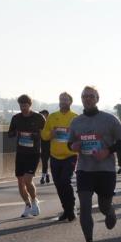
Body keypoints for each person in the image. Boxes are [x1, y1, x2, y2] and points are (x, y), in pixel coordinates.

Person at [67, 86, 121, 242]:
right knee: (84, 206)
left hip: (105, 170)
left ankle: (110, 211)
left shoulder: (109, 119)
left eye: (91, 96)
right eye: (84, 96)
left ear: (97, 98)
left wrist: (107, 151)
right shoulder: (76, 122)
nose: (87, 99)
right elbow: (69, 144)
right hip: (85, 169)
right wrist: (73, 146)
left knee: (103, 206)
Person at [41, 92, 79, 222]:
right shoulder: (52, 116)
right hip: (55, 156)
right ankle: (66, 210)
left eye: (65, 99)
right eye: (61, 99)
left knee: (65, 181)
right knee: (58, 184)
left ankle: (71, 208)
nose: (63, 101)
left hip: (70, 156)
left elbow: (80, 137)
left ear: (70, 102)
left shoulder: (75, 117)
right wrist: (50, 133)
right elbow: (44, 135)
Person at [8, 95, 45, 218]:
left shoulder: (39, 118)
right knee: (20, 181)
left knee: (27, 180)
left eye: (25, 105)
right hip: (21, 153)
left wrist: (35, 135)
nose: (23, 108)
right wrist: (16, 132)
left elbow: (45, 134)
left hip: (33, 153)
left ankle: (35, 201)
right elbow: (10, 133)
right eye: (21, 105)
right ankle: (27, 205)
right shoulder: (16, 118)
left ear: (30, 105)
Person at [38, 109, 52, 184]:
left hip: (52, 145)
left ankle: (47, 175)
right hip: (43, 145)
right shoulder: (39, 125)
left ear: (47, 115)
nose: (42, 117)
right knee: (44, 162)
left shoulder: (51, 124)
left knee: (52, 163)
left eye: (43, 115)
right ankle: (44, 176)